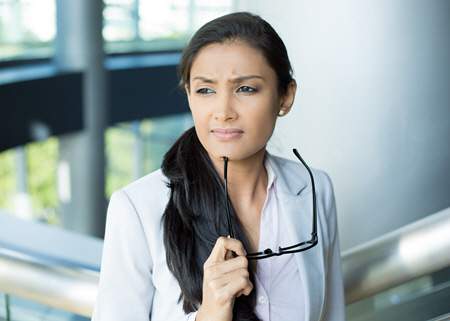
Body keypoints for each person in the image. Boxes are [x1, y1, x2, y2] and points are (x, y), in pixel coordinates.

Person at [91, 11, 345, 321]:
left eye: (246, 89)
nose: (223, 112)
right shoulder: (137, 208)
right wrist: (208, 315)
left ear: (285, 96)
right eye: (206, 90)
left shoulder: (315, 190)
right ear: (189, 96)